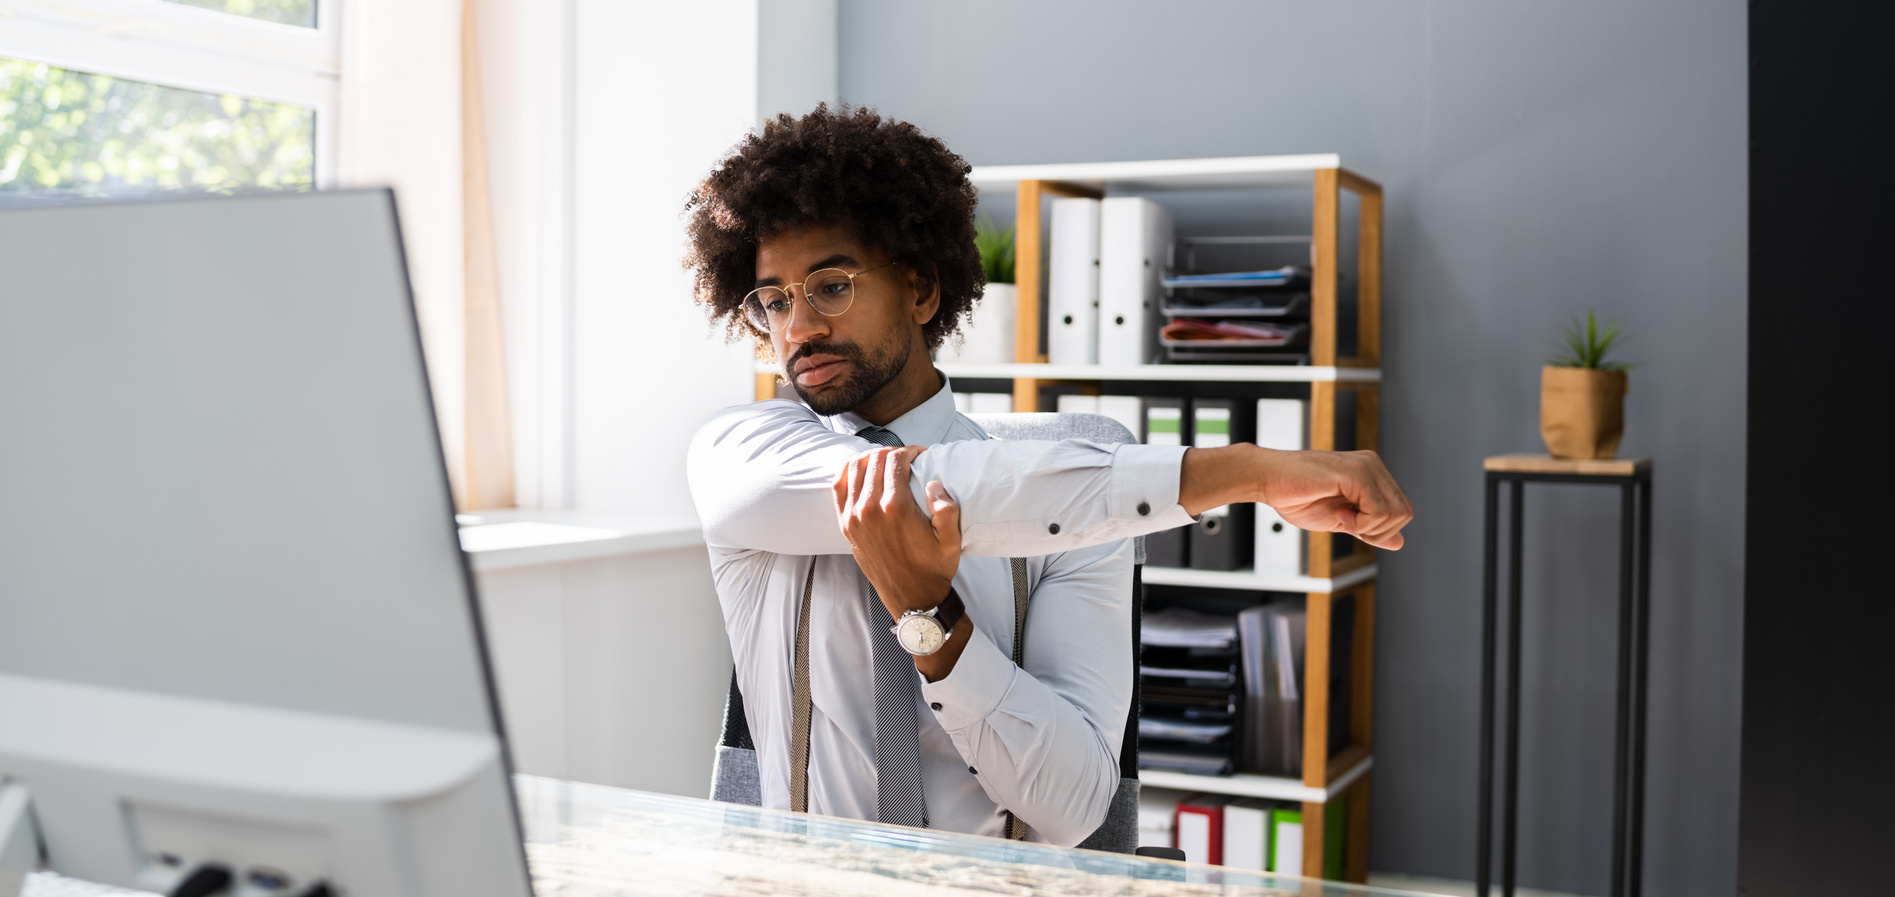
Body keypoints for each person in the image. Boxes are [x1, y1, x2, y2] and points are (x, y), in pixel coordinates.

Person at [684, 105, 1412, 847]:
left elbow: (1074, 809)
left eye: (829, 285)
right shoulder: (740, 452)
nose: (797, 328)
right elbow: (939, 483)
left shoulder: (1082, 519)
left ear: (920, 290)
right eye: (773, 300)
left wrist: (934, 624)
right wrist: (1245, 470)